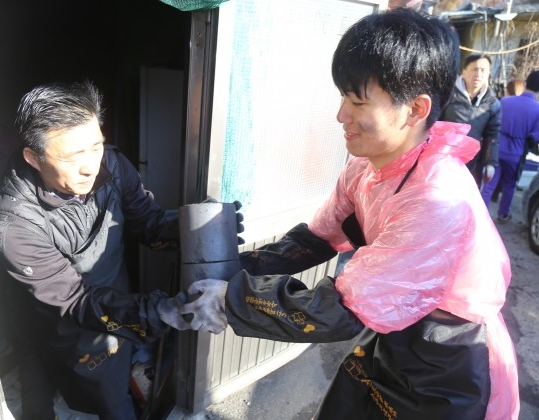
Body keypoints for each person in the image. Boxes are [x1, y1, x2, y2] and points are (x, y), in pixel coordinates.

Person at [167, 8, 519, 419]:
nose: (341, 116)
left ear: (416, 109)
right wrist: (228, 269)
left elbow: (343, 311)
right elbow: (316, 239)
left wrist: (230, 300)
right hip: (396, 329)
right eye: (342, 97)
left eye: (357, 101)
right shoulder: (368, 165)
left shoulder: (437, 199)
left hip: (450, 357)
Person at [0, 81, 237, 419]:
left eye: (95, 147)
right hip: (62, 317)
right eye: (73, 156)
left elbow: (147, 222)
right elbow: (75, 302)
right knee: (95, 394)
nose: (90, 166)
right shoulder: (17, 227)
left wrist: (195, 230)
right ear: (34, 157)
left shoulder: (112, 165)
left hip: (114, 297)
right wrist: (157, 311)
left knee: (116, 373)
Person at [481, 71, 539, 222]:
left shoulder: (505, 101)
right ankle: (503, 213)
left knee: (489, 184)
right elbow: (534, 136)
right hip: (517, 153)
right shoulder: (537, 110)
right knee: (509, 186)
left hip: (497, 148)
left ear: (525, 84)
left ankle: (481, 215)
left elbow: (491, 123)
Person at [440, 53, 501, 188]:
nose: (478, 74)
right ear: (464, 71)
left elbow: (492, 135)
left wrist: (490, 163)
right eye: (474, 69)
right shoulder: (447, 94)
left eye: (483, 70)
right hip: (443, 158)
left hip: (472, 163)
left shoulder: (492, 103)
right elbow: (432, 124)